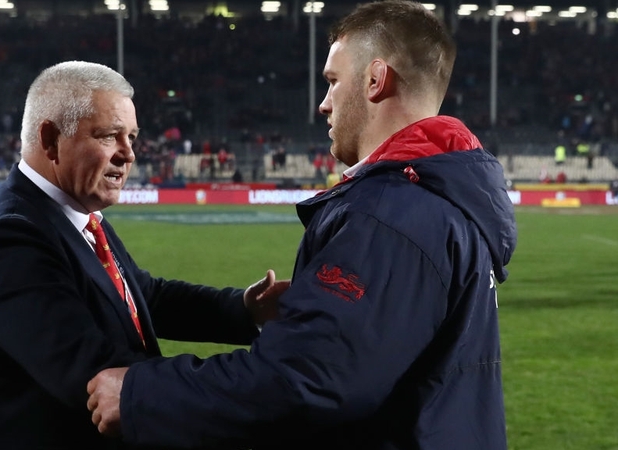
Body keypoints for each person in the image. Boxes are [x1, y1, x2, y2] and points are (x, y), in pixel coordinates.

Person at [86, 2, 517, 449]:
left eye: (333, 82)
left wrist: (141, 392)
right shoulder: (443, 199)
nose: (323, 103)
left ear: (375, 80)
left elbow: (306, 380)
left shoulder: (389, 214)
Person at [0, 60, 287, 450]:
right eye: (109, 136)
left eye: (133, 137)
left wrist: (246, 308)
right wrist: (257, 381)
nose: (129, 154)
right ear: (51, 138)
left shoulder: (75, 214)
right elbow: (97, 377)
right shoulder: (9, 239)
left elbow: (143, 297)